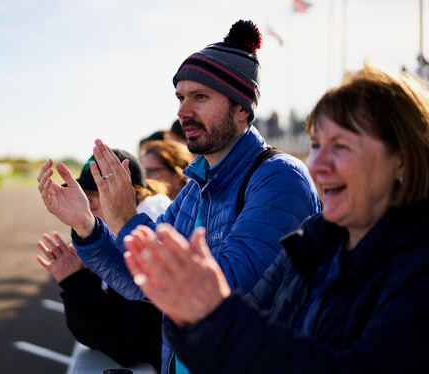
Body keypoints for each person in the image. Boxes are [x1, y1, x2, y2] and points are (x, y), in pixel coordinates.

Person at [37, 19, 321, 373]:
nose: (183, 111)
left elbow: (228, 289)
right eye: (181, 97)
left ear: (242, 108)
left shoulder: (279, 179)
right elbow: (135, 279)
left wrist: (127, 219)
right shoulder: (195, 188)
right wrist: (87, 224)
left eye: (200, 97)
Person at [123, 63, 429, 373]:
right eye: (315, 145)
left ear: (402, 157)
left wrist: (214, 311)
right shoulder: (314, 242)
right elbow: (244, 327)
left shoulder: (418, 262)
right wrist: (192, 314)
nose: (317, 164)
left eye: (341, 146)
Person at [37, 149, 168, 371]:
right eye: (83, 189)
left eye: (96, 189)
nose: (85, 198)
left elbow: (127, 347)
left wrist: (75, 282)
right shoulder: (102, 238)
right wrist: (74, 282)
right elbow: (88, 337)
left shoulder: (152, 232)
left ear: (130, 192)